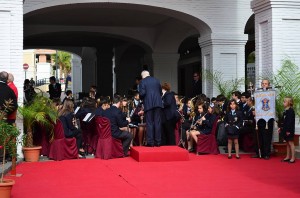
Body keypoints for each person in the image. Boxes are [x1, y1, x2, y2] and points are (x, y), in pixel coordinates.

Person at [138, 70, 163, 147]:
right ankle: (158, 142)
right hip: (158, 103)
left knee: (149, 123)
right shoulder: (157, 80)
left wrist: (141, 98)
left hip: (149, 104)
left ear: (142, 76)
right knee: (157, 122)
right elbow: (161, 93)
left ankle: (150, 142)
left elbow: (142, 93)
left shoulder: (142, 81)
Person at [252, 79, 274, 160]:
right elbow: (257, 105)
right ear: (261, 85)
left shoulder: (272, 94)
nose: (264, 85)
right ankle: (259, 152)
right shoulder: (258, 93)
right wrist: (254, 111)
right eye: (263, 84)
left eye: (266, 84)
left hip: (268, 119)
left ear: (268, 85)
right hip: (259, 118)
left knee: (266, 137)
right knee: (259, 136)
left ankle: (266, 153)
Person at [278, 97, 296, 163]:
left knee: (291, 143)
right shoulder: (285, 110)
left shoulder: (291, 111)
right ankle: (288, 156)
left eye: (285, 101)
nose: (283, 103)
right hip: (285, 129)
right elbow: (283, 121)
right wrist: (281, 127)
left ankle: (293, 157)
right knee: (287, 143)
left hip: (289, 130)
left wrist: (288, 131)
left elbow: (290, 122)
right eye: (283, 101)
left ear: (289, 103)